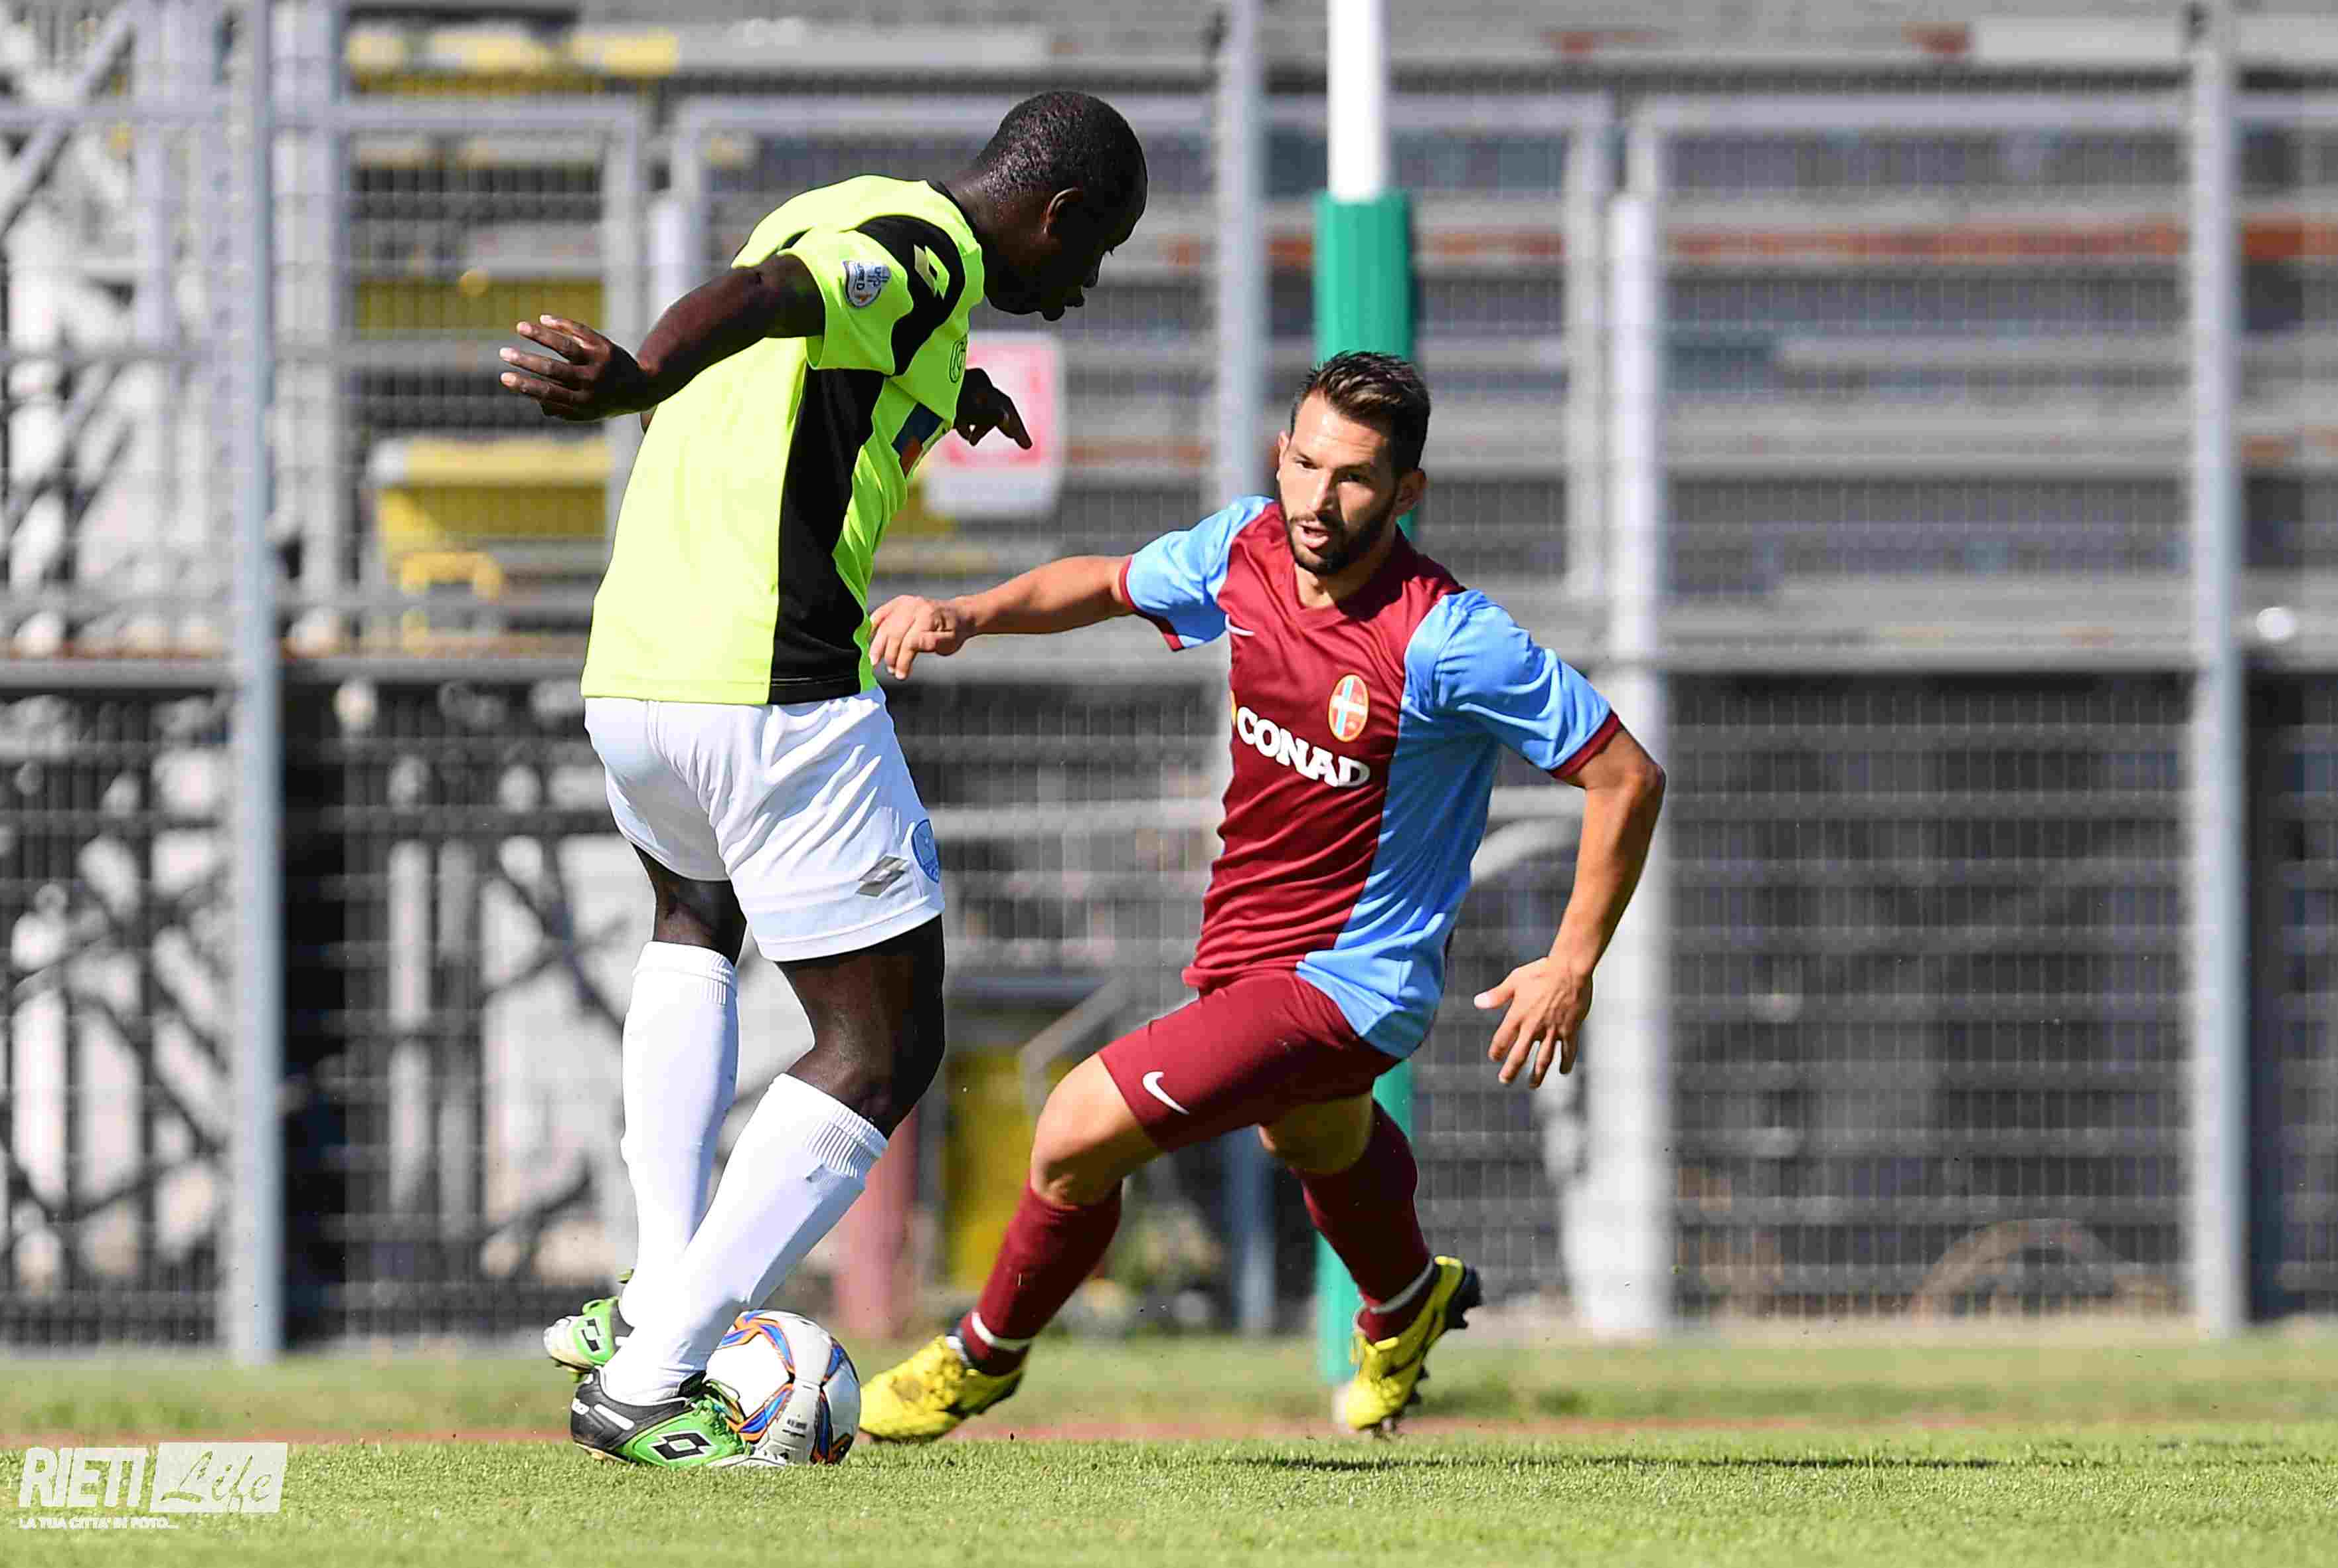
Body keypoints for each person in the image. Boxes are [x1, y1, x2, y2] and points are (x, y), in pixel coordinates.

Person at [493, 90, 1148, 1468]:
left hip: (637, 669)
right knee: (880, 1044)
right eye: (1094, 254)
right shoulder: (922, 253)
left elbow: (805, 333)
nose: (1084, 288)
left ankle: (649, 1297)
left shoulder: (850, 206)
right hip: (770, 682)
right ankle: (656, 1370)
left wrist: (942, 389)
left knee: (695, 925)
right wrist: (638, 376)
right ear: (1057, 213)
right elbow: (774, 298)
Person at [854, 351, 1665, 1441]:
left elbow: (1626, 776)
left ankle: (977, 1358)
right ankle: (1406, 1301)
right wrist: (968, 612)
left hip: (1351, 979)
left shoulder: (1449, 637)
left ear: (1406, 492)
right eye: (1307, 464)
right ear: (1280, 454)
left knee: (1076, 1127)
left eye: (1356, 478)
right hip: (1248, 948)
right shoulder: (1244, 547)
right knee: (1315, 1137)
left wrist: (1570, 962)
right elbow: (1105, 582)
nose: (1320, 498)